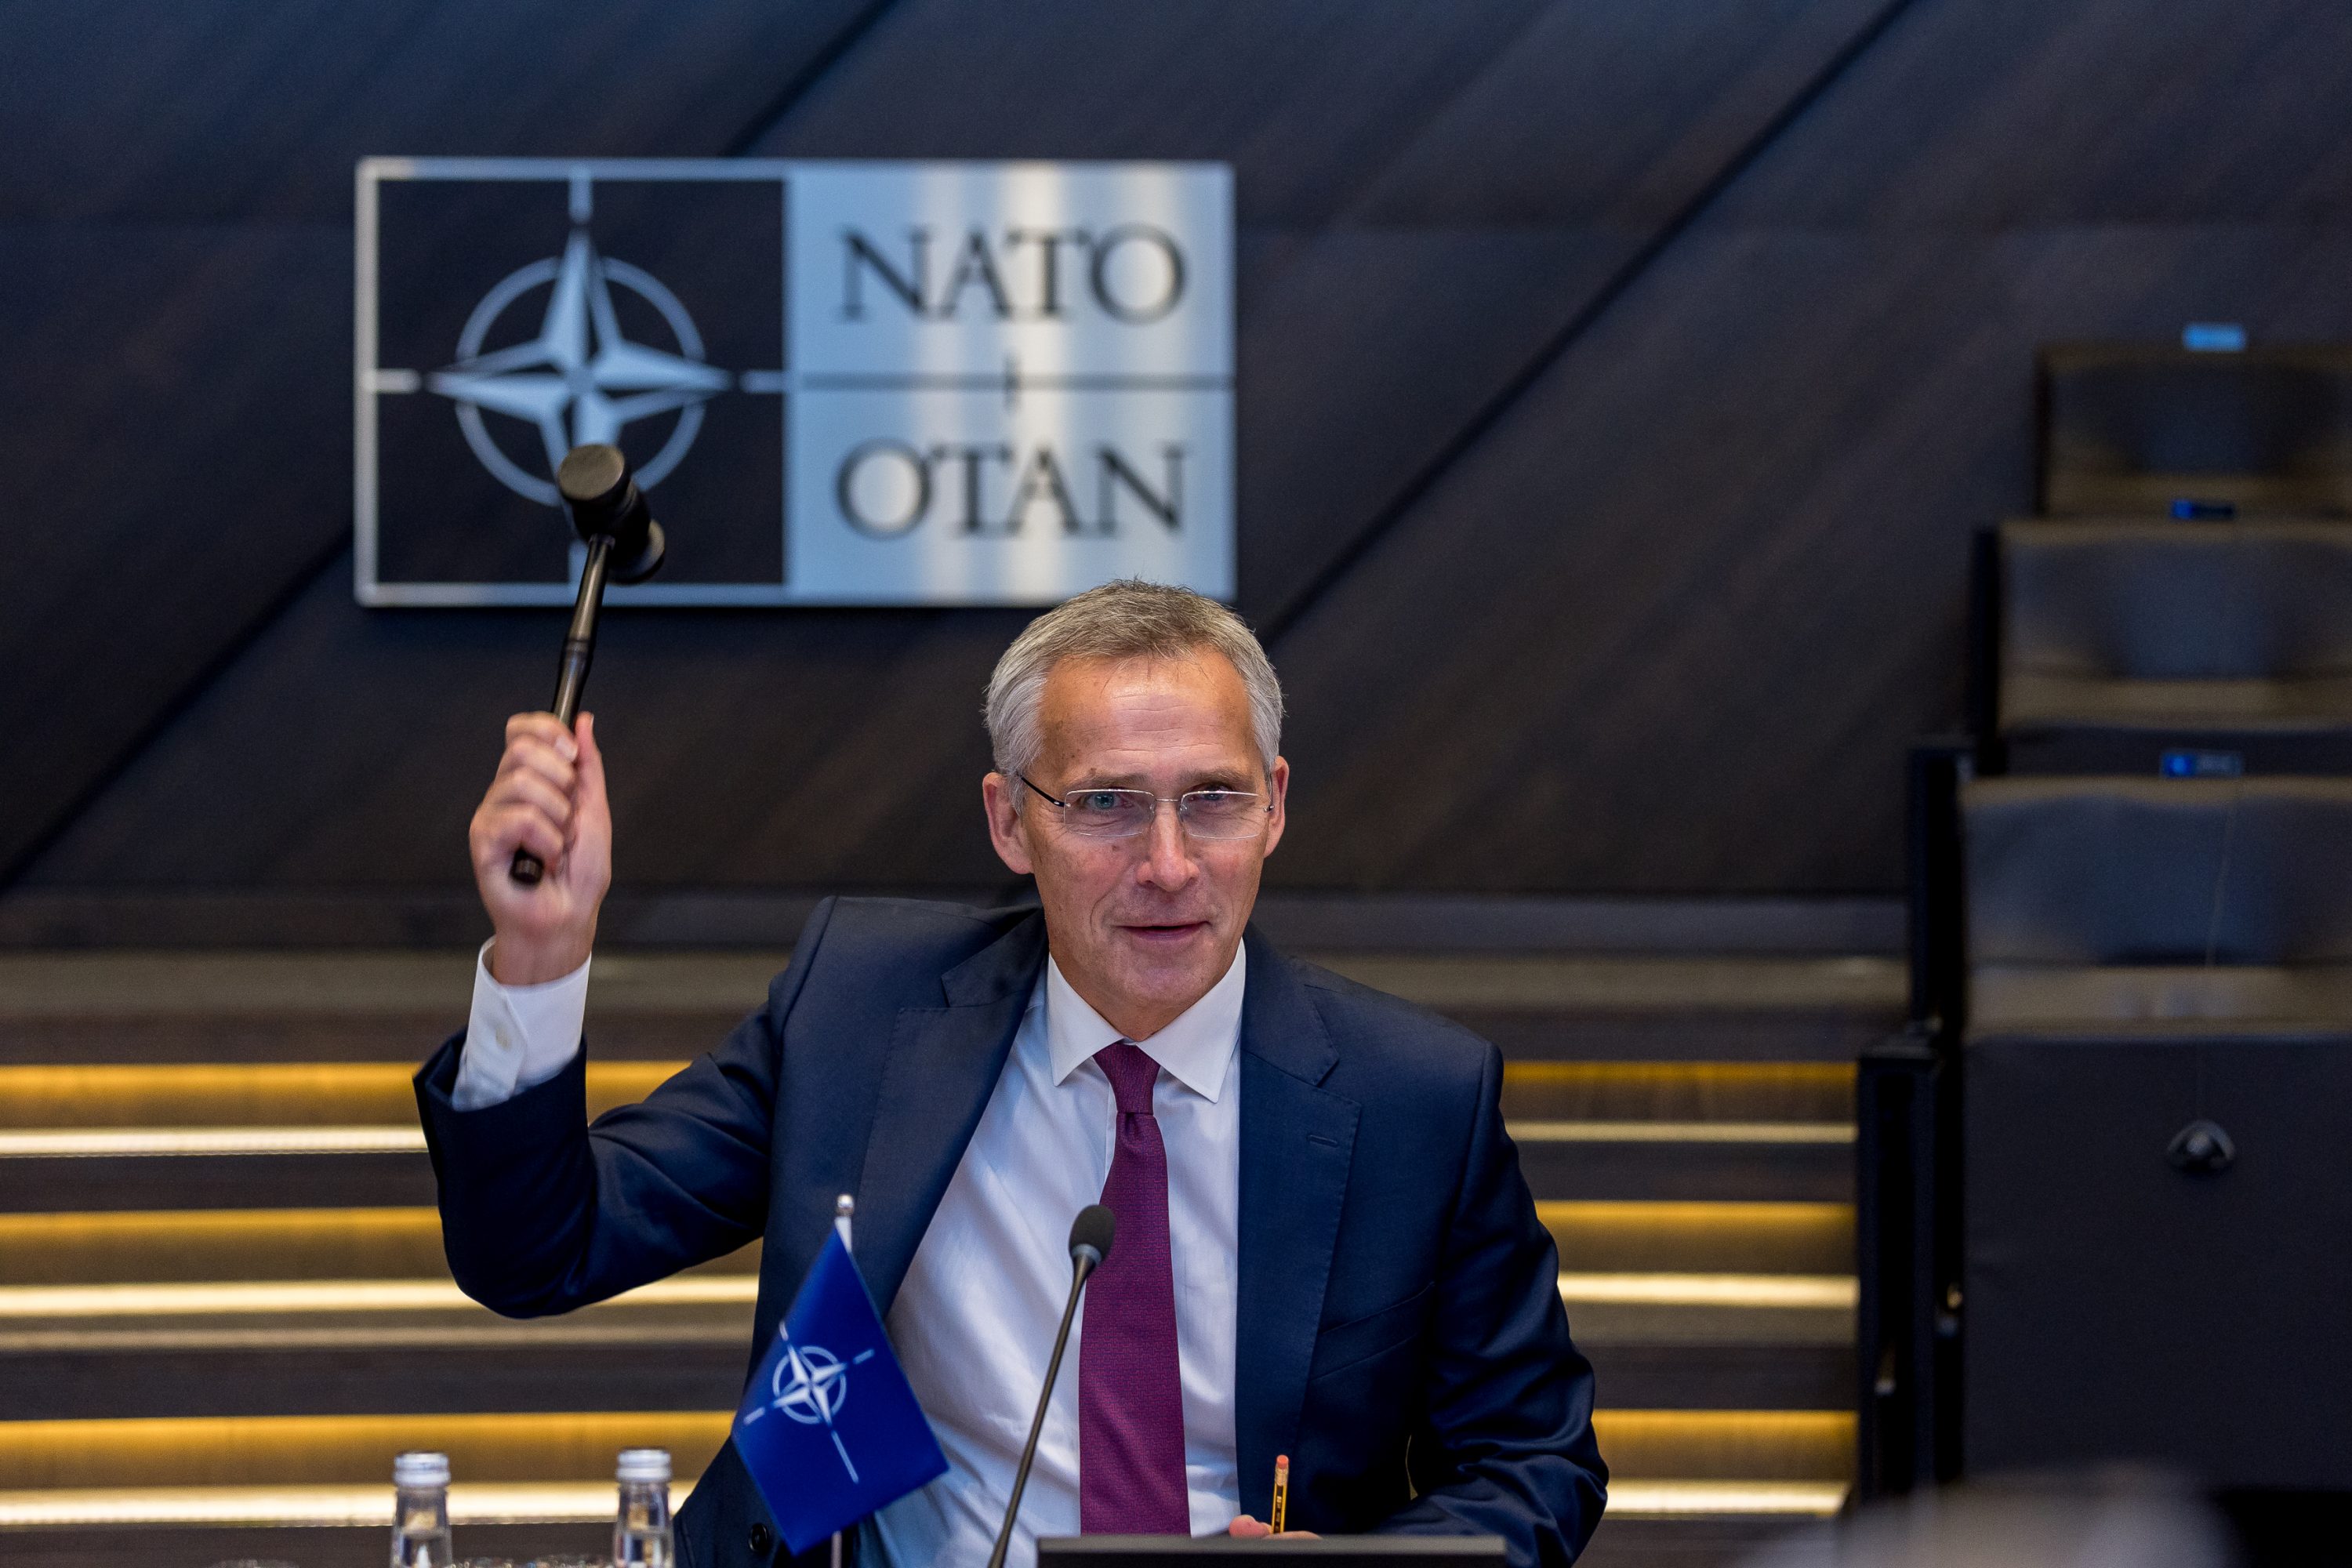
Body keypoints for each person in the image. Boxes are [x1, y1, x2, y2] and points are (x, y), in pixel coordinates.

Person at [416, 581, 1606, 1568]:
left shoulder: (1414, 1100)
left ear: (1276, 806)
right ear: (1007, 821)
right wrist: (539, 955)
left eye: (1214, 800)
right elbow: (537, 1250)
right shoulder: (863, 1014)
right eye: (1104, 806)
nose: (1169, 864)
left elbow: (1534, 1464)